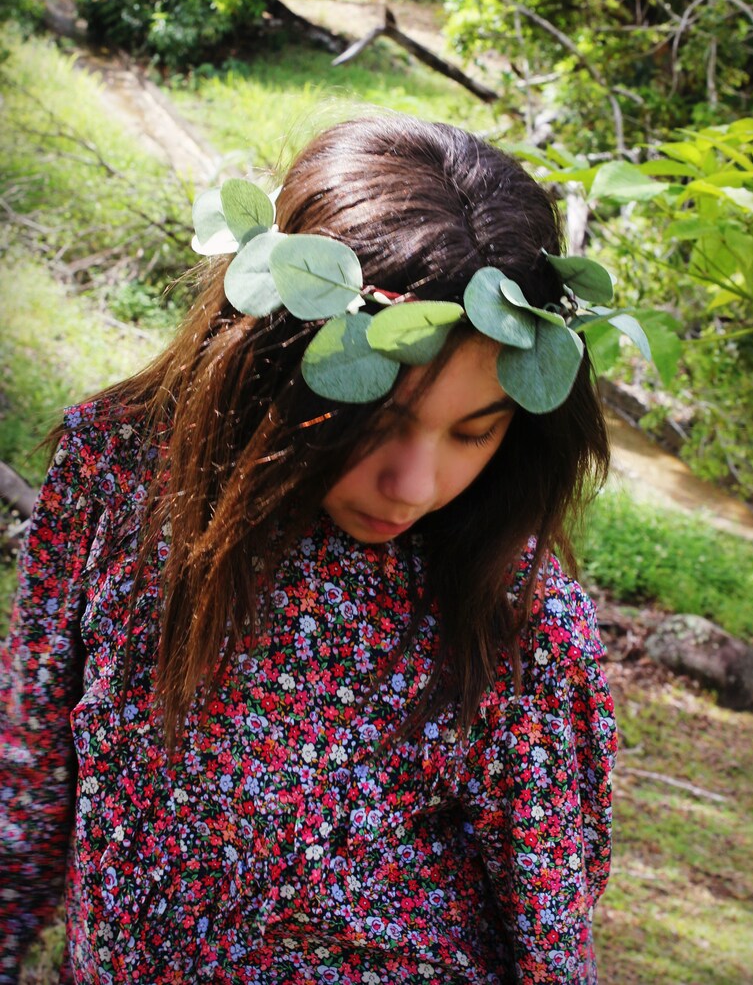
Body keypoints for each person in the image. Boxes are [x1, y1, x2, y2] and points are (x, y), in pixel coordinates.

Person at [0, 114, 618, 984]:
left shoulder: (514, 607)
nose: (414, 482)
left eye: (475, 432)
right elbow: (28, 774)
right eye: (382, 419)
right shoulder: (119, 467)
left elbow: (552, 929)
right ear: (278, 356)